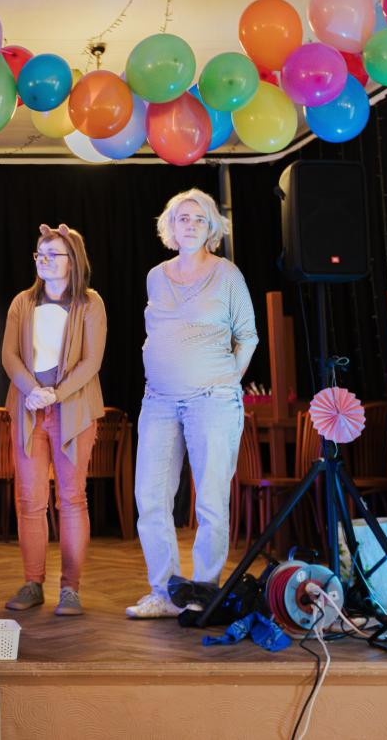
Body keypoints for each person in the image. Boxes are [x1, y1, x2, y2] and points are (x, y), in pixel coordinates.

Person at [127, 189, 258, 619]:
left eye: (200, 218)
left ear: (212, 228)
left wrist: (226, 381)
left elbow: (248, 336)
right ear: (170, 225)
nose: (190, 224)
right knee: (150, 497)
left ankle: (204, 592)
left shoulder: (227, 274)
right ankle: (164, 593)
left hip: (212, 399)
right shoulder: (155, 276)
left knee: (210, 502)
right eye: (183, 217)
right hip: (159, 400)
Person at [1, 224, 106, 616]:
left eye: (52, 254)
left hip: (73, 410)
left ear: (72, 260)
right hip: (29, 409)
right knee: (30, 499)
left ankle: (70, 589)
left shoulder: (90, 303)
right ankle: (33, 583)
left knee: (72, 498)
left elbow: (91, 361)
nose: (43, 260)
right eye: (39, 254)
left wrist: (56, 395)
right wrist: (32, 391)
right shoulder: (22, 302)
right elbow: (9, 355)